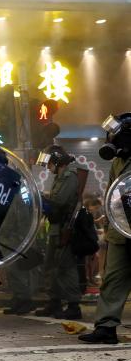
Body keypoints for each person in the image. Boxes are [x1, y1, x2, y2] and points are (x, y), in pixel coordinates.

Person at [80, 113, 131, 344]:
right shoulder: (119, 161)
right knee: (113, 278)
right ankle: (106, 327)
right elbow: (112, 193)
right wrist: (111, 226)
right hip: (122, 229)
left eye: (114, 133)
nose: (110, 137)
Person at [34, 144, 85, 320]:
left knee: (65, 267)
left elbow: (60, 202)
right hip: (55, 228)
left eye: (49, 164)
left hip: (65, 228)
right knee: (50, 266)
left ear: (56, 160)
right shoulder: (60, 176)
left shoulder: (69, 176)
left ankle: (73, 305)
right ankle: (54, 302)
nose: (48, 168)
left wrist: (42, 197)